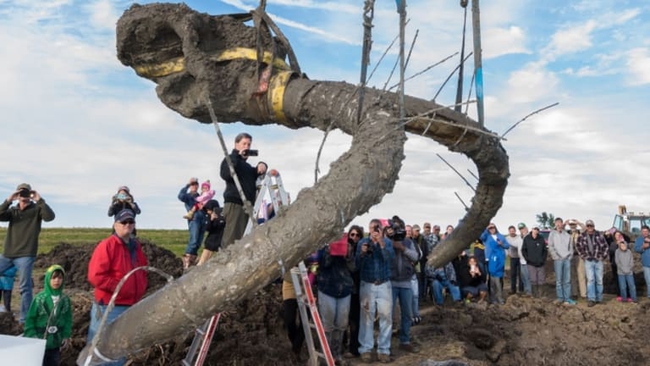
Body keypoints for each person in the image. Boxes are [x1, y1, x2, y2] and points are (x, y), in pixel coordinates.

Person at [87, 209, 148, 365]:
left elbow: (143, 269)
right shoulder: (107, 245)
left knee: (120, 351)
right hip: (110, 307)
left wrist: (140, 286)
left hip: (130, 306)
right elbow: (95, 276)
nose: (128, 225)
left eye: (131, 222)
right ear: (115, 225)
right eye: (124, 222)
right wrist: (119, 287)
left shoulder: (135, 246)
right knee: (101, 351)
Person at [0, 183, 55, 323]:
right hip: (8, 253)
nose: (24, 196)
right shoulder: (12, 211)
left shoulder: (37, 210)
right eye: (21, 193)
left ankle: (25, 320)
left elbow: (50, 217)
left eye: (27, 193)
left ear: (31, 194)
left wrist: (39, 200)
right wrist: (8, 200)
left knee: (25, 287)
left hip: (26, 254)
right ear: (18, 195)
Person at [355, 219, 394, 363]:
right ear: (368, 229)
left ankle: (384, 350)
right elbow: (357, 265)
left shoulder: (387, 242)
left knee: (386, 317)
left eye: (377, 228)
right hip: (367, 284)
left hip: (384, 284)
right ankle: (365, 349)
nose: (374, 231)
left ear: (381, 229)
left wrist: (381, 243)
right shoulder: (363, 243)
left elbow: (389, 259)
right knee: (366, 317)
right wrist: (362, 253)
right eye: (371, 228)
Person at [220, 132, 267, 248]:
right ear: (236, 144)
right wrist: (237, 155)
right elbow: (226, 174)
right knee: (231, 240)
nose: (246, 147)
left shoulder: (246, 167)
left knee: (245, 239)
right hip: (235, 204)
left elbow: (254, 174)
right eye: (244, 144)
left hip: (248, 206)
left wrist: (262, 165)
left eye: (249, 145)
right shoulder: (230, 159)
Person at [316, 235, 355, 365]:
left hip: (344, 288)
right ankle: (325, 356)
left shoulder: (348, 247)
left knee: (342, 324)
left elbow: (353, 268)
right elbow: (323, 265)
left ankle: (337, 355)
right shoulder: (322, 245)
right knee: (328, 325)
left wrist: (348, 255)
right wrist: (330, 251)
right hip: (327, 287)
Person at [24, 264, 72, 366]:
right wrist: (31, 335)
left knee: (54, 362)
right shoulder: (40, 299)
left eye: (60, 278)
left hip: (55, 342)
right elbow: (30, 318)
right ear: (48, 279)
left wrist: (66, 335)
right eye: (53, 277)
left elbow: (68, 319)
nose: (57, 281)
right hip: (40, 341)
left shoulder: (65, 299)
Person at [388, 217, 419, 354]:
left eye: (400, 226)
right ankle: (386, 343)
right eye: (395, 227)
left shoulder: (408, 242)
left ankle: (405, 341)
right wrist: (390, 244)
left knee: (407, 313)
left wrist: (403, 248)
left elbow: (416, 257)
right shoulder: (387, 241)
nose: (398, 230)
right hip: (391, 282)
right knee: (388, 314)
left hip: (406, 282)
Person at [575, 219, 608, 307]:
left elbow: (605, 247)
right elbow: (578, 247)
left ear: (594, 226)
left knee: (599, 280)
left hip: (598, 261)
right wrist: (584, 256)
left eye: (591, 226)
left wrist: (602, 257)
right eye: (588, 226)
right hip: (588, 261)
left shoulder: (599, 235)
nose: (590, 227)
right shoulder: (582, 236)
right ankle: (591, 299)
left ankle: (599, 298)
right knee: (590, 280)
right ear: (586, 227)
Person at [343, 225, 363, 359]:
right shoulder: (343, 249)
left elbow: (356, 268)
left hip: (357, 289)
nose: (355, 237)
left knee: (355, 320)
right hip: (344, 288)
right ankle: (342, 344)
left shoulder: (361, 249)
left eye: (357, 235)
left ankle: (354, 347)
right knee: (342, 320)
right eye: (352, 235)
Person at [178, 177, 207, 269]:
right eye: (192, 184)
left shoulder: (201, 196)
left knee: (199, 242)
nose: (194, 186)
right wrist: (187, 185)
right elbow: (180, 196)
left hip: (203, 220)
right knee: (194, 240)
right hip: (194, 220)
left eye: (195, 184)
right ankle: (186, 261)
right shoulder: (188, 196)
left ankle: (192, 261)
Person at [548, 217, 576, 305]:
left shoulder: (567, 235)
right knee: (559, 280)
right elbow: (550, 246)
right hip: (558, 260)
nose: (558, 224)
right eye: (557, 223)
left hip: (566, 260)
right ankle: (560, 298)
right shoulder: (552, 234)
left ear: (562, 224)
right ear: (555, 224)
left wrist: (570, 256)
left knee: (567, 280)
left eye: (560, 222)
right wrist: (555, 257)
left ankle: (567, 298)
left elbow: (571, 247)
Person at [480, 223, 509, 304]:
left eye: (493, 227)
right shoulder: (487, 236)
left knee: (499, 279)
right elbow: (481, 237)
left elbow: (507, 246)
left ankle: (499, 296)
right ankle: (492, 298)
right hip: (489, 259)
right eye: (490, 228)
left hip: (499, 259)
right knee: (491, 279)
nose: (492, 229)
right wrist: (486, 228)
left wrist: (502, 244)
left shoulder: (501, 236)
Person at [196, 200, 226, 266]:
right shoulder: (208, 217)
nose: (208, 211)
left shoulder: (223, 214)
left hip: (221, 240)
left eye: (209, 209)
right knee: (202, 262)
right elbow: (208, 228)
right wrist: (211, 220)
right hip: (211, 241)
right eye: (207, 210)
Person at [522, 227, 548, 298]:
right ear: (532, 229)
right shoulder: (527, 238)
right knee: (533, 279)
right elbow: (524, 250)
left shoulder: (541, 238)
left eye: (537, 229)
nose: (536, 231)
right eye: (534, 229)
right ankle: (535, 295)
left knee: (541, 279)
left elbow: (545, 250)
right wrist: (528, 259)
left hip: (540, 263)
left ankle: (541, 295)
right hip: (531, 263)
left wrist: (543, 260)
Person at [614, 232, 637, 303]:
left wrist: (629, 269)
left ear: (626, 245)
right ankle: (624, 299)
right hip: (621, 273)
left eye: (624, 245)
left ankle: (634, 299)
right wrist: (623, 270)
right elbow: (617, 262)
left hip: (629, 272)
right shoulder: (617, 252)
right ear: (619, 246)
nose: (623, 246)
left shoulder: (629, 252)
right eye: (621, 245)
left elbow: (631, 261)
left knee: (632, 286)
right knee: (623, 287)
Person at [505, 225, 523, 295]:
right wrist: (508, 254)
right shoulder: (507, 238)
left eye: (513, 231)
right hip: (512, 258)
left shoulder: (519, 237)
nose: (512, 232)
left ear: (515, 231)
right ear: (509, 231)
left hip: (519, 257)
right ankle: (513, 289)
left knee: (520, 274)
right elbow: (505, 247)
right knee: (513, 274)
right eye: (510, 231)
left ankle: (521, 289)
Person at [634, 225, 650, 299]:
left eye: (646, 231)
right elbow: (636, 249)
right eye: (643, 231)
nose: (645, 233)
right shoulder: (639, 239)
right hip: (646, 263)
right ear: (641, 232)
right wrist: (643, 247)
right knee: (649, 281)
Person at [516, 223, 532, 297]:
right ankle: (526, 290)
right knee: (524, 277)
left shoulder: (529, 237)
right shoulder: (519, 238)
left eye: (523, 228)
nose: (522, 230)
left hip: (528, 261)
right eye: (520, 229)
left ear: (526, 228)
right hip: (521, 260)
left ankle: (529, 292)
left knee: (528, 277)